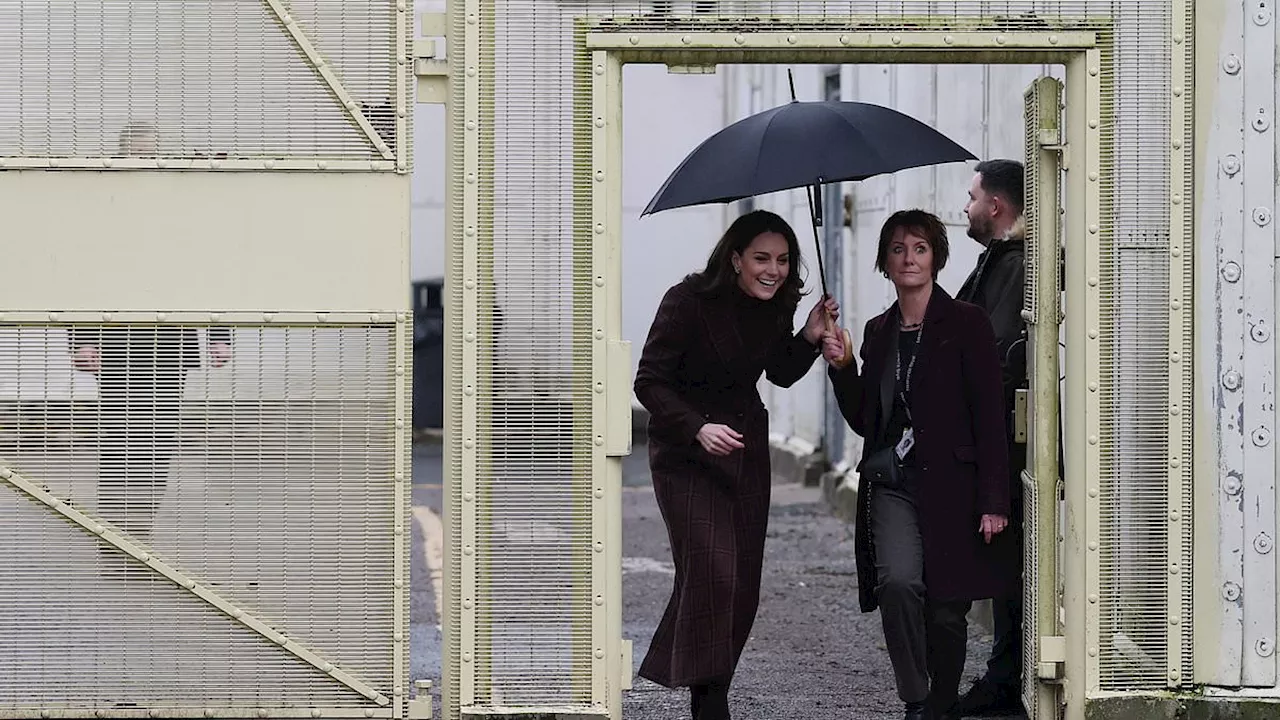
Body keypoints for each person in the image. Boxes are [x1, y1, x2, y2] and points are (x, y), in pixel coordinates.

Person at [634, 209, 838, 720]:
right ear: (735, 259)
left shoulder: (775, 305)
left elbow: (782, 372)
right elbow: (649, 382)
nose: (774, 270)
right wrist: (697, 427)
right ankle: (709, 700)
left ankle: (712, 687)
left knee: (743, 579)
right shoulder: (686, 301)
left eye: (784, 260)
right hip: (685, 453)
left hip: (744, 448)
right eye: (762, 259)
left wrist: (812, 336)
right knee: (713, 569)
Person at [821, 210, 1012, 720]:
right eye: (899, 248)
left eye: (920, 248)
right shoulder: (878, 330)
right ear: (885, 260)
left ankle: (942, 703)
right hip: (893, 483)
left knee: (948, 611)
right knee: (900, 585)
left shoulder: (967, 323)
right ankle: (916, 697)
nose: (909, 258)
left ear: (936, 259)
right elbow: (867, 419)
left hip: (955, 483)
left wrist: (994, 499)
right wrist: (843, 368)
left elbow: (990, 414)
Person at [69, 122, 233, 541]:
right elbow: (83, 274)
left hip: (168, 344)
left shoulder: (179, 209)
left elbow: (208, 267)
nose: (145, 161)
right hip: (117, 343)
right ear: (121, 157)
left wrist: (219, 333)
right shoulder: (102, 207)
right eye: (137, 154)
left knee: (157, 448)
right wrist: (83, 339)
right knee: (121, 446)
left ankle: (138, 537)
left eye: (150, 154)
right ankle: (115, 539)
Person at [954, 159, 1029, 717]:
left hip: (1006, 439)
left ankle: (1007, 678)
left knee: (1009, 562)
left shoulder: (1015, 264)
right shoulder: (999, 262)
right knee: (1005, 561)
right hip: (996, 436)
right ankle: (1005, 673)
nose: (966, 206)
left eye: (972, 196)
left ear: (995, 206)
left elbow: (997, 353)